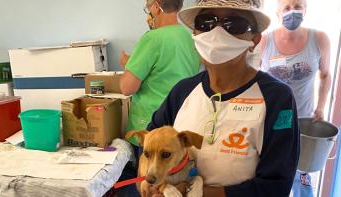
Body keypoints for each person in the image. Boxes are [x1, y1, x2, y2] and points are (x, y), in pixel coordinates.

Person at [146, 0, 300, 196]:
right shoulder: (182, 91)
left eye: (234, 24)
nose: (217, 33)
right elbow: (147, 151)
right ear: (195, 33)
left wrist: (196, 193)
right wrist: (149, 186)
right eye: (205, 22)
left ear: (255, 39)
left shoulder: (277, 99)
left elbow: (276, 186)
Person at [117, 0, 200, 196]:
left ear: (156, 6)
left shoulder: (152, 39)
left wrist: (127, 64)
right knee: (178, 185)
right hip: (179, 129)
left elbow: (127, 87)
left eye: (148, 7)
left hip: (151, 127)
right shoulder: (191, 39)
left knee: (150, 187)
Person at [260, 0, 331, 196]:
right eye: (287, 8)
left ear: (305, 10)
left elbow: (325, 74)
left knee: (301, 175)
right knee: (272, 171)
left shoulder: (319, 39)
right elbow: (252, 76)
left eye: (297, 6)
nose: (293, 12)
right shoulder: (265, 41)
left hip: (303, 119)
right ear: (277, 14)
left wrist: (321, 107)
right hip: (271, 118)